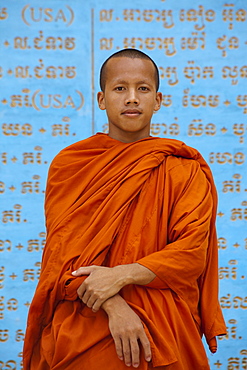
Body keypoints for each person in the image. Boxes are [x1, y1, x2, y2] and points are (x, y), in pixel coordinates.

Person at [23, 48, 226, 370]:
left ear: (157, 100)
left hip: (163, 324)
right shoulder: (72, 165)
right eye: (120, 88)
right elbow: (63, 258)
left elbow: (190, 253)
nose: (132, 98)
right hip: (86, 320)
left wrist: (120, 276)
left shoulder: (183, 169)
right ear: (102, 99)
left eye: (142, 89)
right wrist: (115, 304)